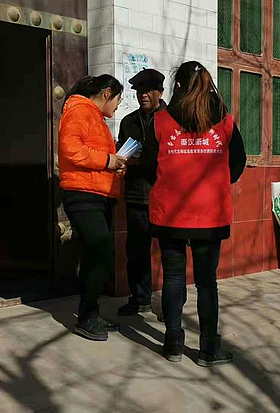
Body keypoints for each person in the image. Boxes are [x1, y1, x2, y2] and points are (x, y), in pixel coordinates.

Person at [141, 61, 247, 366]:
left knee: (173, 278)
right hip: (210, 214)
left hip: (170, 214)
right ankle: (208, 349)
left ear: (177, 85)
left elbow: (148, 166)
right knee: (206, 283)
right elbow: (237, 162)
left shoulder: (161, 121)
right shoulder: (224, 120)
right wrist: (216, 183)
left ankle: (173, 343)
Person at [58, 74, 127, 341]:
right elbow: (71, 149)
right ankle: (87, 316)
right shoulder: (79, 111)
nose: (118, 106)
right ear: (107, 93)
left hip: (98, 193)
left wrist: (115, 164)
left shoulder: (94, 117)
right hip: (82, 194)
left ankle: (91, 312)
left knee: (95, 255)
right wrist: (108, 161)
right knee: (99, 251)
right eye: (118, 99)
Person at [116, 69, 167, 316]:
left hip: (166, 196)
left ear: (160, 92)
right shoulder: (128, 122)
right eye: (139, 92)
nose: (143, 95)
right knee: (136, 252)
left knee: (170, 253)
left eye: (148, 91)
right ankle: (139, 299)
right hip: (137, 195)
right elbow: (121, 149)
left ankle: (170, 305)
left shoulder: (172, 119)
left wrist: (145, 159)